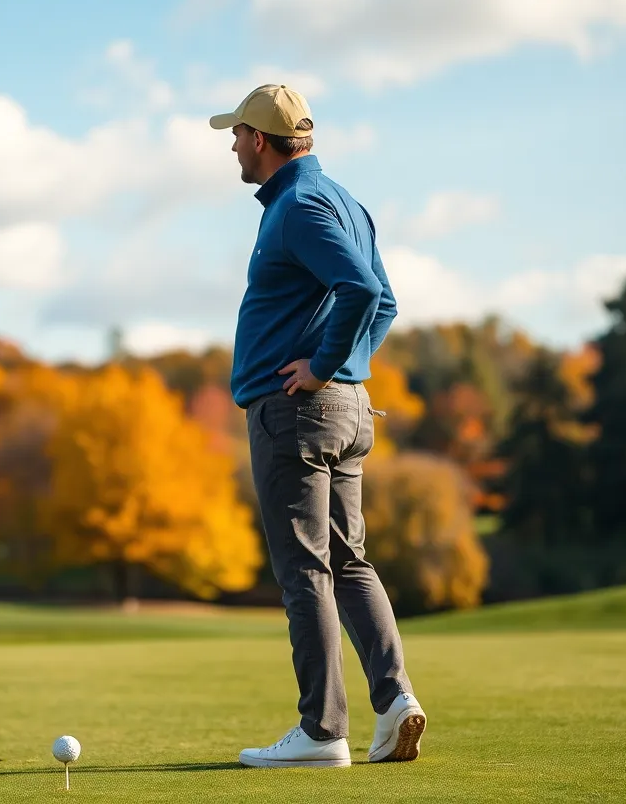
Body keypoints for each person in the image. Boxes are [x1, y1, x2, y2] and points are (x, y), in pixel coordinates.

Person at [208, 84, 426, 769]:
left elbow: (364, 292)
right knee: (348, 562)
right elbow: (383, 300)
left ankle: (321, 731)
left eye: (238, 133)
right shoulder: (339, 199)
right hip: (343, 408)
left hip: (296, 412)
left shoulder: (298, 206)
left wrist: (322, 364)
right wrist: (347, 366)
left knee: (305, 569)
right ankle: (395, 707)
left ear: (263, 141)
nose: (233, 145)